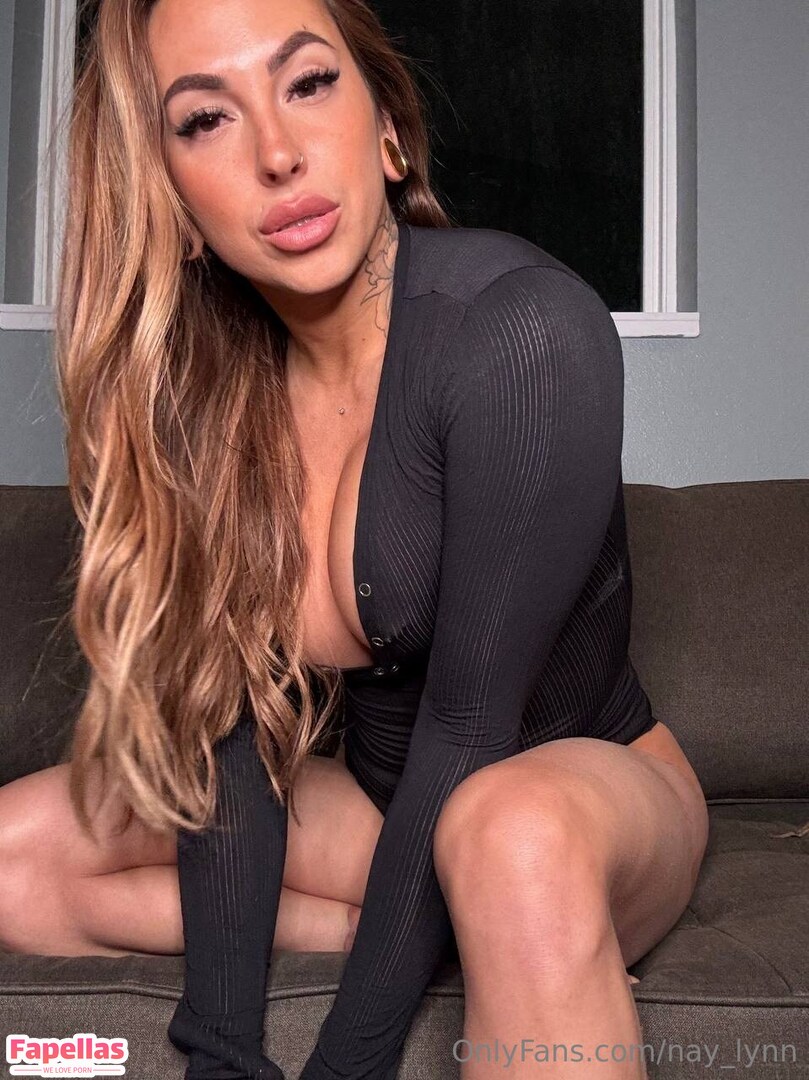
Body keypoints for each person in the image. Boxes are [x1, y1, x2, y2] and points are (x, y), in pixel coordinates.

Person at [0, 0, 712, 1077]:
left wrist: (351, 1057)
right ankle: (437, 943)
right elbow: (227, 742)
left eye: (308, 82)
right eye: (204, 119)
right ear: (170, 198)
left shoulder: (520, 333)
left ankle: (477, 928)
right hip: (382, 810)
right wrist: (223, 1049)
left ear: (386, 128)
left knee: (505, 834)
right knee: (13, 861)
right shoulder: (194, 397)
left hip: (580, 799)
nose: (277, 153)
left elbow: (470, 731)